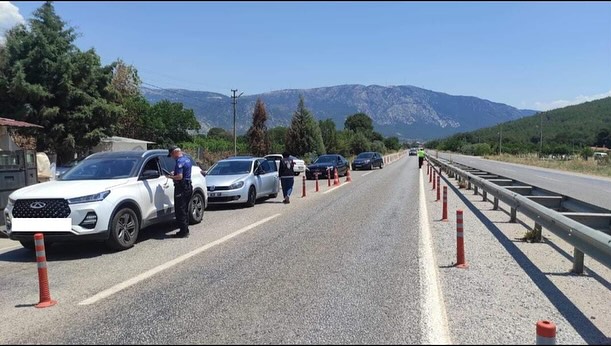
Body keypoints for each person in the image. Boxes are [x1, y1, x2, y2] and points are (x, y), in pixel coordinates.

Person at [166, 146, 193, 238]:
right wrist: (175, 172)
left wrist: (170, 177)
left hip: (181, 187)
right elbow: (184, 171)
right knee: (185, 209)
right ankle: (186, 229)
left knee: (180, 210)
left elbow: (180, 176)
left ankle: (183, 232)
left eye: (172, 155)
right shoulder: (187, 159)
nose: (172, 157)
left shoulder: (179, 162)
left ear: (175, 152)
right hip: (188, 186)